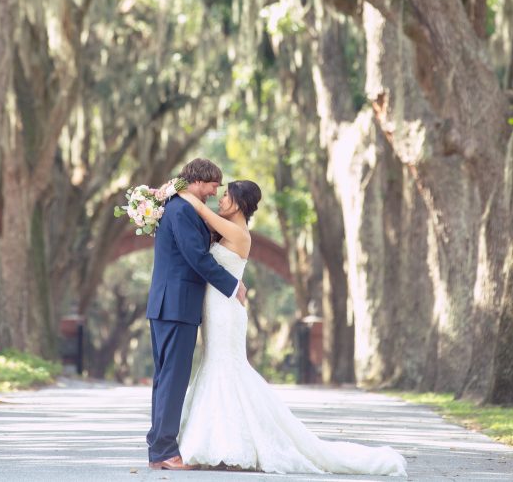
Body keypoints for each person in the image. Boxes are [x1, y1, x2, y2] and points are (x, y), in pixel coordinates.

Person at [174, 179, 407, 476]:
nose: (219, 200)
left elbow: (201, 213)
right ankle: (218, 443)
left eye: (225, 196)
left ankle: (229, 446)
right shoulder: (225, 230)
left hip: (226, 313)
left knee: (226, 368)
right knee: (215, 365)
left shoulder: (238, 231)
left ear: (239, 203)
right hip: (215, 307)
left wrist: (177, 191)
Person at [145, 158, 248, 471]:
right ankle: (163, 451)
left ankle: (159, 448)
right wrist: (234, 286)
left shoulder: (178, 206)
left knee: (166, 379)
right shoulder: (182, 210)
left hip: (168, 305)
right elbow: (197, 259)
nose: (216, 192)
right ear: (199, 181)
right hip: (176, 306)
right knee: (173, 380)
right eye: (214, 185)